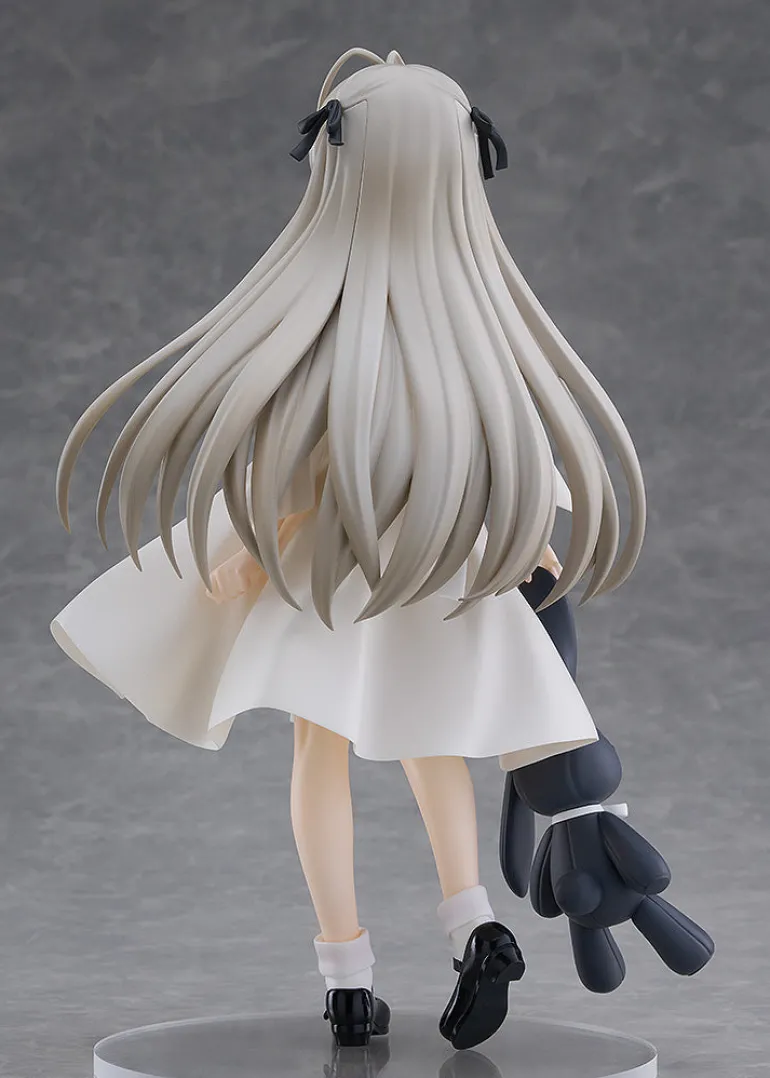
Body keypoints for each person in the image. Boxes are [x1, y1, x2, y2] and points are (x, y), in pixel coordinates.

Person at [51, 47, 646, 1050]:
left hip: (327, 575)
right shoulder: (473, 325)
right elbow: (502, 436)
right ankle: (474, 923)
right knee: (431, 736)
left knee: (319, 750)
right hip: (436, 568)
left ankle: (348, 977)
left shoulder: (324, 325)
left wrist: (253, 549)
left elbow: (294, 454)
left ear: (335, 164)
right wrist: (528, 534)